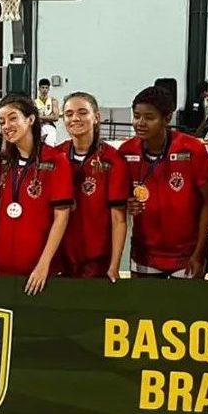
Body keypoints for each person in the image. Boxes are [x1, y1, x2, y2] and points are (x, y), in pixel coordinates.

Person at [0, 95, 72, 295]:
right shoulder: (2, 163)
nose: (6, 126)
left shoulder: (56, 161)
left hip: (38, 273)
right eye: (1, 122)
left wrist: (43, 265)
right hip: (0, 269)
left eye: (13, 118)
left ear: (31, 119)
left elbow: (61, 217)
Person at [120, 86, 208, 279]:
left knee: (185, 309)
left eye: (149, 117)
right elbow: (119, 199)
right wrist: (126, 203)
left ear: (167, 119)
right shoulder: (126, 151)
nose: (140, 123)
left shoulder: (192, 149)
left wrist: (199, 252)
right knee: (142, 309)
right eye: (136, 116)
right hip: (144, 254)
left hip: (188, 255)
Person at [53, 92, 128, 281]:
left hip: (97, 262)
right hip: (60, 259)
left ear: (96, 117)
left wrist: (114, 265)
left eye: (82, 112)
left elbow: (119, 219)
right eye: (69, 114)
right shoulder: (55, 156)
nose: (75, 118)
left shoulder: (113, 160)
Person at [34, 78, 60, 145]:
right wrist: (48, 117)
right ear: (39, 88)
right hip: (38, 127)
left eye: (46, 88)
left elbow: (56, 117)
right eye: (42, 88)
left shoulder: (53, 101)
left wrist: (40, 117)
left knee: (50, 146)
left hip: (49, 126)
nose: (44, 90)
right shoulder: (34, 102)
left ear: (49, 89)